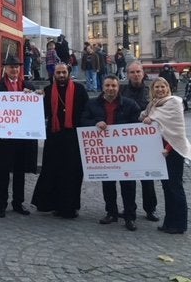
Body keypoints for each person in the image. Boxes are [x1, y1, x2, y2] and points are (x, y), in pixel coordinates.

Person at [81, 74, 141, 231]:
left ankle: (130, 216)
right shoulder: (92, 104)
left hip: (124, 151)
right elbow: (83, 121)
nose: (110, 89)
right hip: (104, 153)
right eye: (107, 86)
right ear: (103, 87)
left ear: (118, 87)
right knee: (108, 184)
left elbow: (138, 125)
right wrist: (95, 123)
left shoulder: (129, 104)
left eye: (113, 86)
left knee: (128, 184)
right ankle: (111, 213)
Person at [31, 62, 89, 218]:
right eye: (58, 73)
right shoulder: (48, 91)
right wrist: (31, 98)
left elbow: (86, 111)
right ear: (54, 74)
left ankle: (70, 207)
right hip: (54, 137)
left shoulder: (80, 90)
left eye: (64, 72)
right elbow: (39, 112)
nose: (61, 75)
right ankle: (52, 204)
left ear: (68, 73)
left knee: (73, 173)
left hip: (73, 137)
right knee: (52, 171)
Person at [139, 78, 191, 234]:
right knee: (166, 187)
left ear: (168, 88)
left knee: (175, 187)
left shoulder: (174, 102)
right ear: (152, 89)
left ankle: (180, 224)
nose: (160, 89)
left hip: (173, 149)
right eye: (157, 87)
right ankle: (169, 222)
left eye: (163, 86)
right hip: (160, 151)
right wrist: (147, 117)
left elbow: (173, 127)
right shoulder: (153, 104)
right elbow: (144, 116)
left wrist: (152, 118)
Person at [0, 55, 38, 218]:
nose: (14, 69)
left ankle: (18, 203)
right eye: (11, 67)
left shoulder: (28, 85)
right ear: (5, 68)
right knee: (3, 172)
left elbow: (36, 109)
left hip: (22, 138)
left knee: (19, 173)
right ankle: (1, 204)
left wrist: (36, 96)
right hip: (4, 138)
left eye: (17, 67)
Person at [120, 62, 159, 222]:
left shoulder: (151, 91)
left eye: (138, 72)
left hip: (146, 141)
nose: (136, 75)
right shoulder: (121, 91)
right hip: (126, 140)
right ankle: (129, 209)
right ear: (128, 74)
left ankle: (150, 209)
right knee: (127, 178)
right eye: (132, 72)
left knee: (147, 178)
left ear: (143, 73)